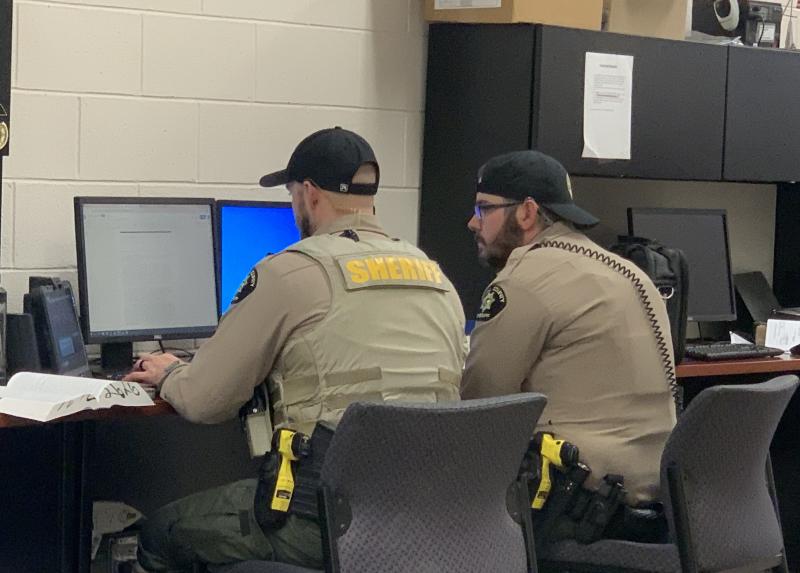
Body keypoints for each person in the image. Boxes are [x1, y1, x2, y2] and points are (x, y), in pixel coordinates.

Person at [125, 127, 467, 572]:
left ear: (308, 194)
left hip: (320, 520)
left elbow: (205, 401)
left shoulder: (293, 271)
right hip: (429, 521)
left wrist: (170, 372)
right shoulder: (435, 276)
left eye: (291, 194)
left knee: (162, 532)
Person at [461, 150, 677, 543]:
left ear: (526, 213)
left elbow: (480, 406)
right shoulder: (629, 271)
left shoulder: (525, 277)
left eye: (483, 208)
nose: (473, 222)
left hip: (579, 504)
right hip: (657, 496)